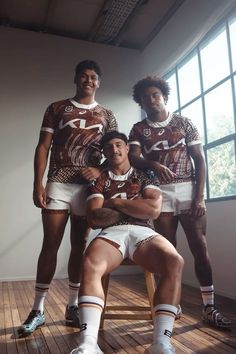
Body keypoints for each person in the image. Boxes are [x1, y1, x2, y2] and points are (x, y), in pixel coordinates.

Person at [17, 60, 118, 337]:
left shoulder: (107, 115)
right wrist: (37, 183)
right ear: (76, 79)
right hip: (59, 184)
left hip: (88, 189)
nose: (88, 80)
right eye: (84, 76)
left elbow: (115, 150)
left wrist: (99, 169)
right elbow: (43, 146)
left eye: (93, 77)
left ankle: (72, 306)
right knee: (50, 244)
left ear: (99, 82)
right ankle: (37, 310)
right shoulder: (57, 107)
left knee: (79, 245)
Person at [128, 75, 231, 329]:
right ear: (140, 102)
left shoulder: (184, 122)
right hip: (159, 193)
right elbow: (133, 157)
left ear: (164, 96)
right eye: (145, 97)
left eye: (155, 95)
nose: (151, 100)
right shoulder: (139, 129)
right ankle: (174, 304)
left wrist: (199, 196)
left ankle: (209, 307)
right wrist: (152, 163)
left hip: (187, 189)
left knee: (199, 247)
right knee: (168, 251)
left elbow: (200, 160)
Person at [70, 131, 184, 354]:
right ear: (104, 152)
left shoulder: (145, 174)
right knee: (90, 261)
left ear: (127, 148)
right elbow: (95, 218)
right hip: (112, 233)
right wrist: (134, 206)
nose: (114, 149)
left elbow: (153, 210)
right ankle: (88, 343)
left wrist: (114, 202)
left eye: (119, 144)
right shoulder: (98, 178)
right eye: (109, 147)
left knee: (174, 261)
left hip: (144, 232)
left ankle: (161, 343)